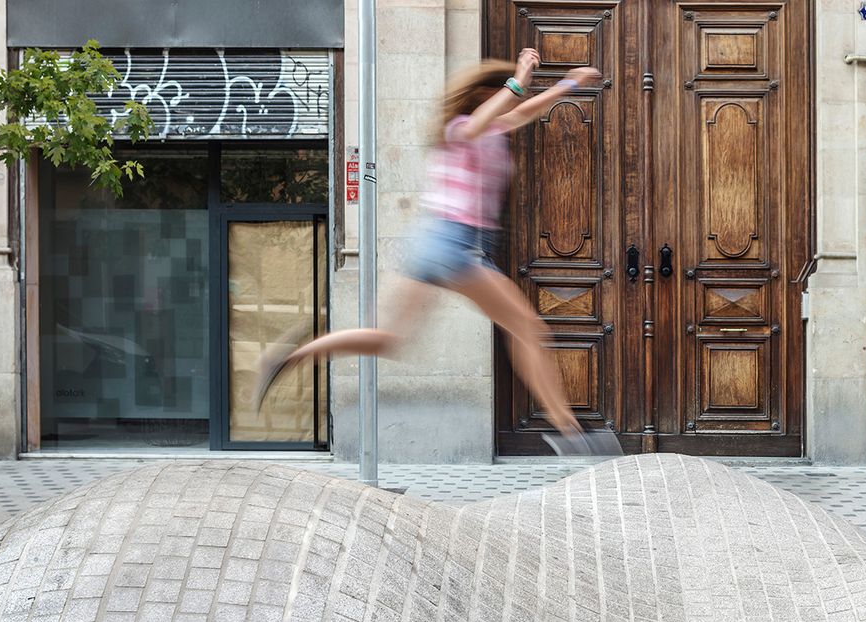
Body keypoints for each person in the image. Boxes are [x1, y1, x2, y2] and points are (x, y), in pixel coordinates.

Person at [254, 49, 620, 456]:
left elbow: (525, 110)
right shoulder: (460, 129)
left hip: (433, 244)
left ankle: (290, 357)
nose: (510, 100)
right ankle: (571, 434)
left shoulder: (494, 128)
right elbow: (489, 116)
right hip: (455, 245)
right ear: (483, 95)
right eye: (499, 94)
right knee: (528, 330)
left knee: (388, 339)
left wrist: (569, 83)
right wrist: (518, 79)